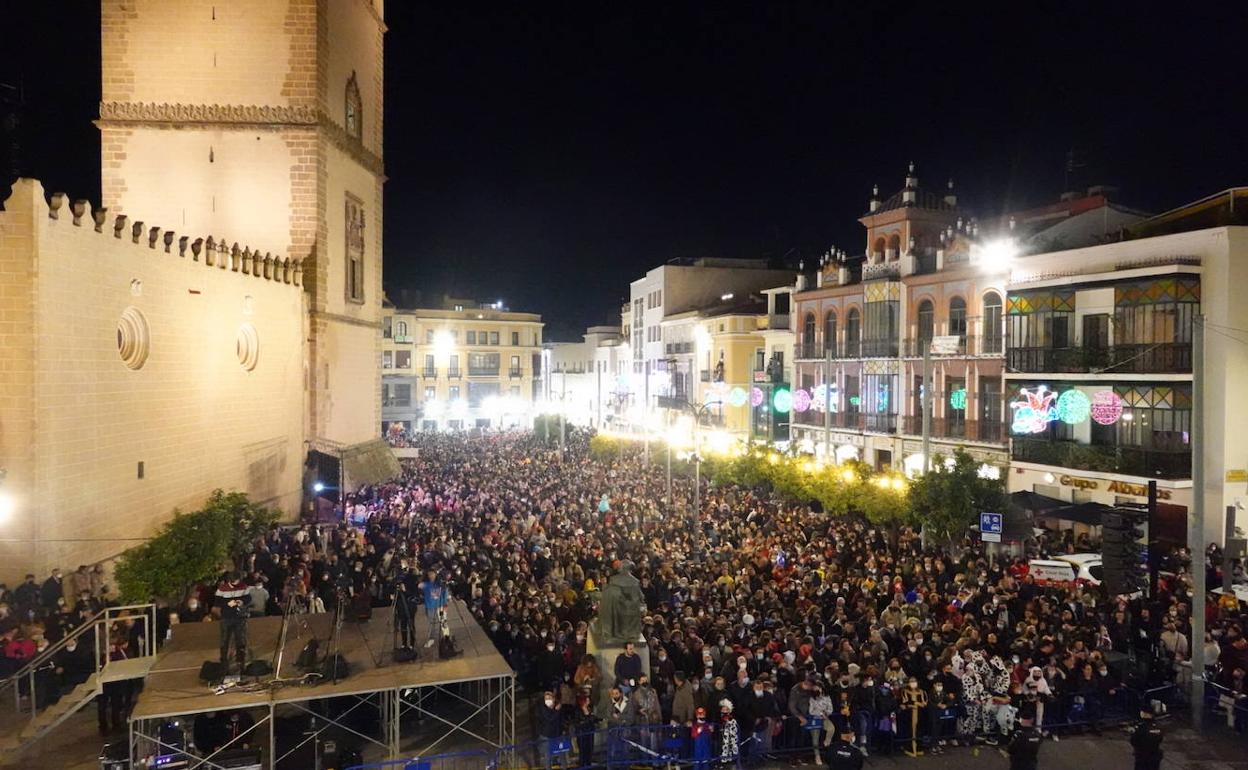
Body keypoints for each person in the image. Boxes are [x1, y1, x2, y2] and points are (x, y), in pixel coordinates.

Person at [213, 571, 250, 675]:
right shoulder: (222, 589)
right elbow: (217, 602)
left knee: (241, 640)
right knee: (225, 640)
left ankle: (241, 662)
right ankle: (224, 663)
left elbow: (248, 597)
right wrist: (227, 603)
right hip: (226, 618)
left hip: (240, 617)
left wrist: (241, 601)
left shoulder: (244, 587)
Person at [1128, 705, 1164, 770]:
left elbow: (1133, 741)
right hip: (1155, 756)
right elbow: (1160, 739)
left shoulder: (1141, 727)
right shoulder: (1158, 726)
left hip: (1143, 756)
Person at [419, 569, 448, 648]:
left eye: (432, 574)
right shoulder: (425, 584)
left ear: (436, 574)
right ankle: (431, 639)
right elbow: (419, 586)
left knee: (443, 622)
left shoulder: (440, 584)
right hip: (430, 607)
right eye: (429, 574)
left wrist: (445, 603)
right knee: (431, 623)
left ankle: (445, 638)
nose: (431, 576)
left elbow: (445, 593)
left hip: (440, 606)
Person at [538, 690, 564, 770]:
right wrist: (556, 711)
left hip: (558, 734)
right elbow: (550, 718)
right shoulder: (543, 708)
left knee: (562, 755)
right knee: (548, 757)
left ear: (553, 699)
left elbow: (561, 720)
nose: (548, 700)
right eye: (546, 698)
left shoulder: (558, 706)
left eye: (549, 698)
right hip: (547, 736)